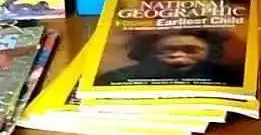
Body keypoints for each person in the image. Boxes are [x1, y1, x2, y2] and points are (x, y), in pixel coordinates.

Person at [98, 27, 240, 87]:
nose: (178, 55)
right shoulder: (115, 79)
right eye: (168, 50)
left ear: (210, 52)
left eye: (191, 50)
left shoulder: (232, 78)